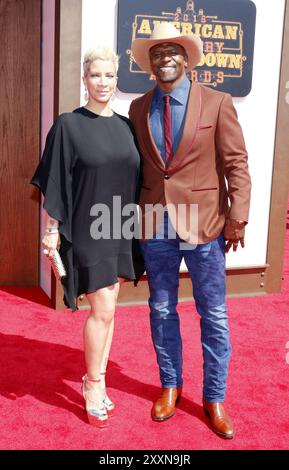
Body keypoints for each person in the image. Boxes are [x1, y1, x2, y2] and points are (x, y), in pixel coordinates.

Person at [129, 23, 251, 438]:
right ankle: (170, 385)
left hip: (205, 225)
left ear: (186, 57)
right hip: (155, 226)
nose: (165, 57)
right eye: (157, 51)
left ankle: (214, 396)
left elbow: (236, 164)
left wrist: (238, 217)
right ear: (149, 62)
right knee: (161, 310)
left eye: (172, 50)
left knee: (212, 313)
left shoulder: (217, 102)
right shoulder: (138, 108)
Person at [31, 47, 142, 428]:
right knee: (104, 310)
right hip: (87, 226)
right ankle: (92, 384)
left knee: (110, 308)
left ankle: (99, 378)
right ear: (84, 80)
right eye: (96, 75)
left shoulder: (126, 126)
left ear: (117, 79)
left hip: (119, 225)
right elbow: (56, 180)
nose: (103, 82)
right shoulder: (68, 125)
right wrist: (51, 230)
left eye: (109, 76)